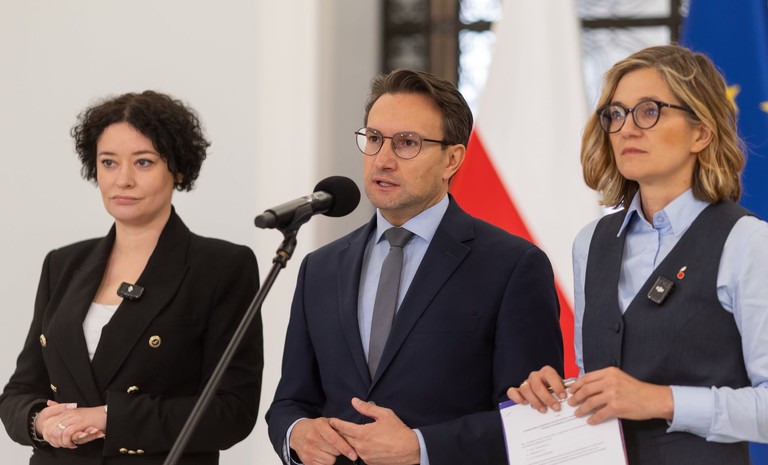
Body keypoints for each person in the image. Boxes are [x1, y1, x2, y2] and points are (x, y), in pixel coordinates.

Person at [265, 68, 564, 465]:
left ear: (452, 160)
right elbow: (290, 401)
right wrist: (297, 433)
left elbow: (533, 420)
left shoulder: (513, 266)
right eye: (374, 139)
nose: (383, 159)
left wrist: (422, 448)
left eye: (407, 143)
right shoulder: (320, 268)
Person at [507, 44, 768, 465]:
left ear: (701, 132)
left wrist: (661, 400)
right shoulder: (591, 242)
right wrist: (557, 394)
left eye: (649, 111)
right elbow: (599, 386)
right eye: (616, 114)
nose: (627, 128)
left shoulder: (748, 242)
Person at [0, 90, 264, 464]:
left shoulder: (222, 267)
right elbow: (21, 389)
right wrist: (39, 421)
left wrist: (111, 419)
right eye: (108, 162)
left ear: (179, 169)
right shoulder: (62, 264)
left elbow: (232, 411)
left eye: (143, 162)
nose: (122, 180)